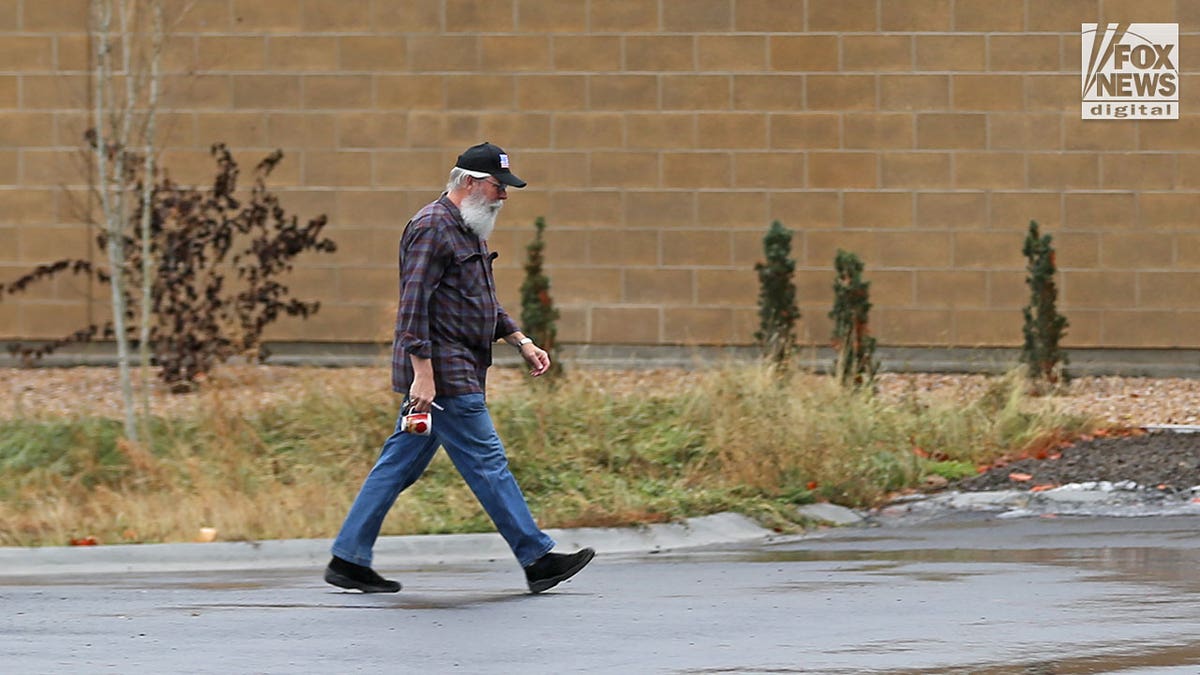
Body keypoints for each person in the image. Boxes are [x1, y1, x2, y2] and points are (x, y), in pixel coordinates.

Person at [324, 142, 594, 595]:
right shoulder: (432, 227)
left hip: (457, 364)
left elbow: (481, 300)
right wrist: (423, 374)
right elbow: (412, 307)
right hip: (443, 370)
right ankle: (537, 558)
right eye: (497, 186)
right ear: (467, 182)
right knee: (488, 461)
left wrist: (520, 340)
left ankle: (348, 559)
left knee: (397, 466)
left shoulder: (469, 226)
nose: (503, 196)